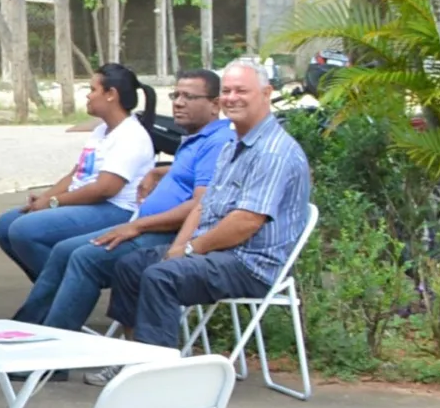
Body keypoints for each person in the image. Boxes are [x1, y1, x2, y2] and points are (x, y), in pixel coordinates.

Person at [95, 58, 313, 369]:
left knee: (162, 277)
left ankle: (154, 374)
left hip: (251, 263)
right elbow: (203, 204)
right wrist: (177, 249)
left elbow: (245, 223)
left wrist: (190, 250)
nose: (232, 97)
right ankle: (140, 358)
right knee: (130, 266)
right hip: (216, 253)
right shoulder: (233, 145)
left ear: (266, 94)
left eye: (242, 90)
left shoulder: (273, 151)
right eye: (227, 90)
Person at [15, 69, 231, 334]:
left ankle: (52, 350)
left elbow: (202, 204)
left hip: (167, 235)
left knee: (85, 258)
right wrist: (158, 171)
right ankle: (26, 330)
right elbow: (193, 175)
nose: (178, 102)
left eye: (189, 96)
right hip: (146, 225)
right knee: (63, 251)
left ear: (215, 104)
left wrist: (138, 226)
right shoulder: (196, 137)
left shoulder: (218, 141)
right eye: (176, 94)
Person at [0, 62, 155, 297]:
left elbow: (105, 189)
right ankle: (58, 292)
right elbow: (76, 174)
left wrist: (54, 202)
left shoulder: (131, 136)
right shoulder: (102, 130)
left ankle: (72, 292)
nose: (88, 96)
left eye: (92, 89)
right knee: (5, 224)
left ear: (111, 95)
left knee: (24, 230)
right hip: (88, 203)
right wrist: (46, 196)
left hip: (115, 209)